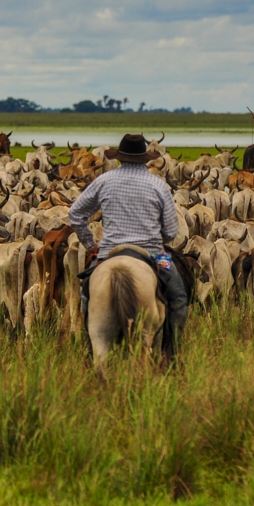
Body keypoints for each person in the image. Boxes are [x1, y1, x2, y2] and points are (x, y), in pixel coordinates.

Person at [68, 133, 187, 356]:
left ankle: (88, 346)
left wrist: (90, 244)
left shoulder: (104, 180)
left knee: (87, 294)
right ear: (144, 158)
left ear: (120, 158)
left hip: (108, 254)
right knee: (178, 296)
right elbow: (171, 232)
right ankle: (172, 355)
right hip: (154, 254)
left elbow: (75, 214)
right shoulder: (158, 185)